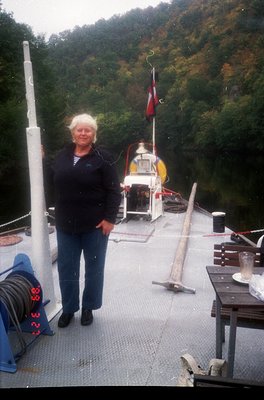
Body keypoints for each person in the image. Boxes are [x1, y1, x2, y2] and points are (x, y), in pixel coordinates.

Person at [47, 113, 121, 328]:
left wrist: (109, 219)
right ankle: (69, 309)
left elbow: (114, 192)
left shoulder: (103, 158)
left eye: (87, 130)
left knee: (94, 268)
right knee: (67, 268)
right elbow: (49, 179)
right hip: (65, 224)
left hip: (95, 226)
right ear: (73, 132)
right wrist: (40, 158)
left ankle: (89, 306)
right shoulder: (60, 157)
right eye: (79, 129)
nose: (83, 133)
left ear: (93, 134)